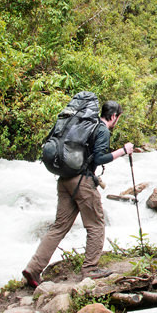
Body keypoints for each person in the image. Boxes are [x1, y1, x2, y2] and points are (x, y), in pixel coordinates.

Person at [22, 100, 134, 287]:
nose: (117, 121)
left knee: (59, 226)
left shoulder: (83, 126)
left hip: (64, 179)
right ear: (114, 116)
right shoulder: (102, 130)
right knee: (96, 224)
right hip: (82, 182)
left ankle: (33, 268)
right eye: (118, 118)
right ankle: (90, 269)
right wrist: (123, 151)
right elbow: (99, 158)